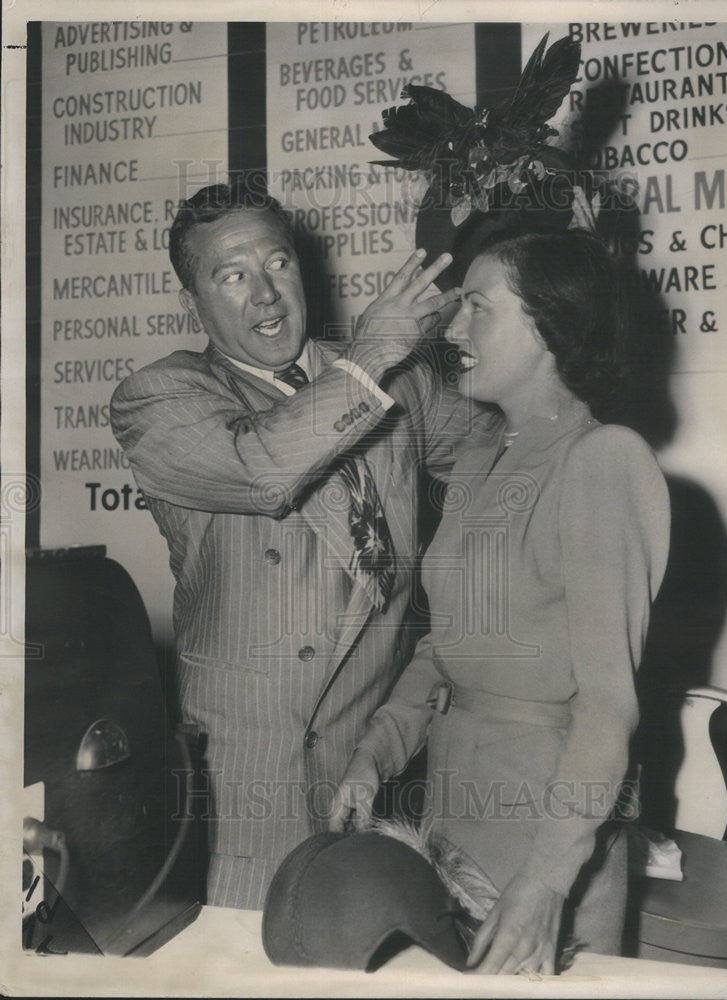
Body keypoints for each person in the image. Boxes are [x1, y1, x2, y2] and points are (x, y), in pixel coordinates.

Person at [110, 180, 491, 910]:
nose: (265, 295)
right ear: (193, 301)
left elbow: (496, 448)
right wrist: (372, 355)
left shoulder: (399, 384)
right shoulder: (163, 398)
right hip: (242, 790)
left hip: (369, 773)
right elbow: (263, 471)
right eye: (232, 275)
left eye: (278, 264)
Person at [330, 229, 671, 973]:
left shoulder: (603, 461)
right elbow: (442, 648)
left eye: (476, 309)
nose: (452, 331)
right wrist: (373, 756)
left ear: (550, 325)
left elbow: (609, 708)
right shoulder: (481, 459)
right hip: (451, 821)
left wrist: (547, 881)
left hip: (546, 843)